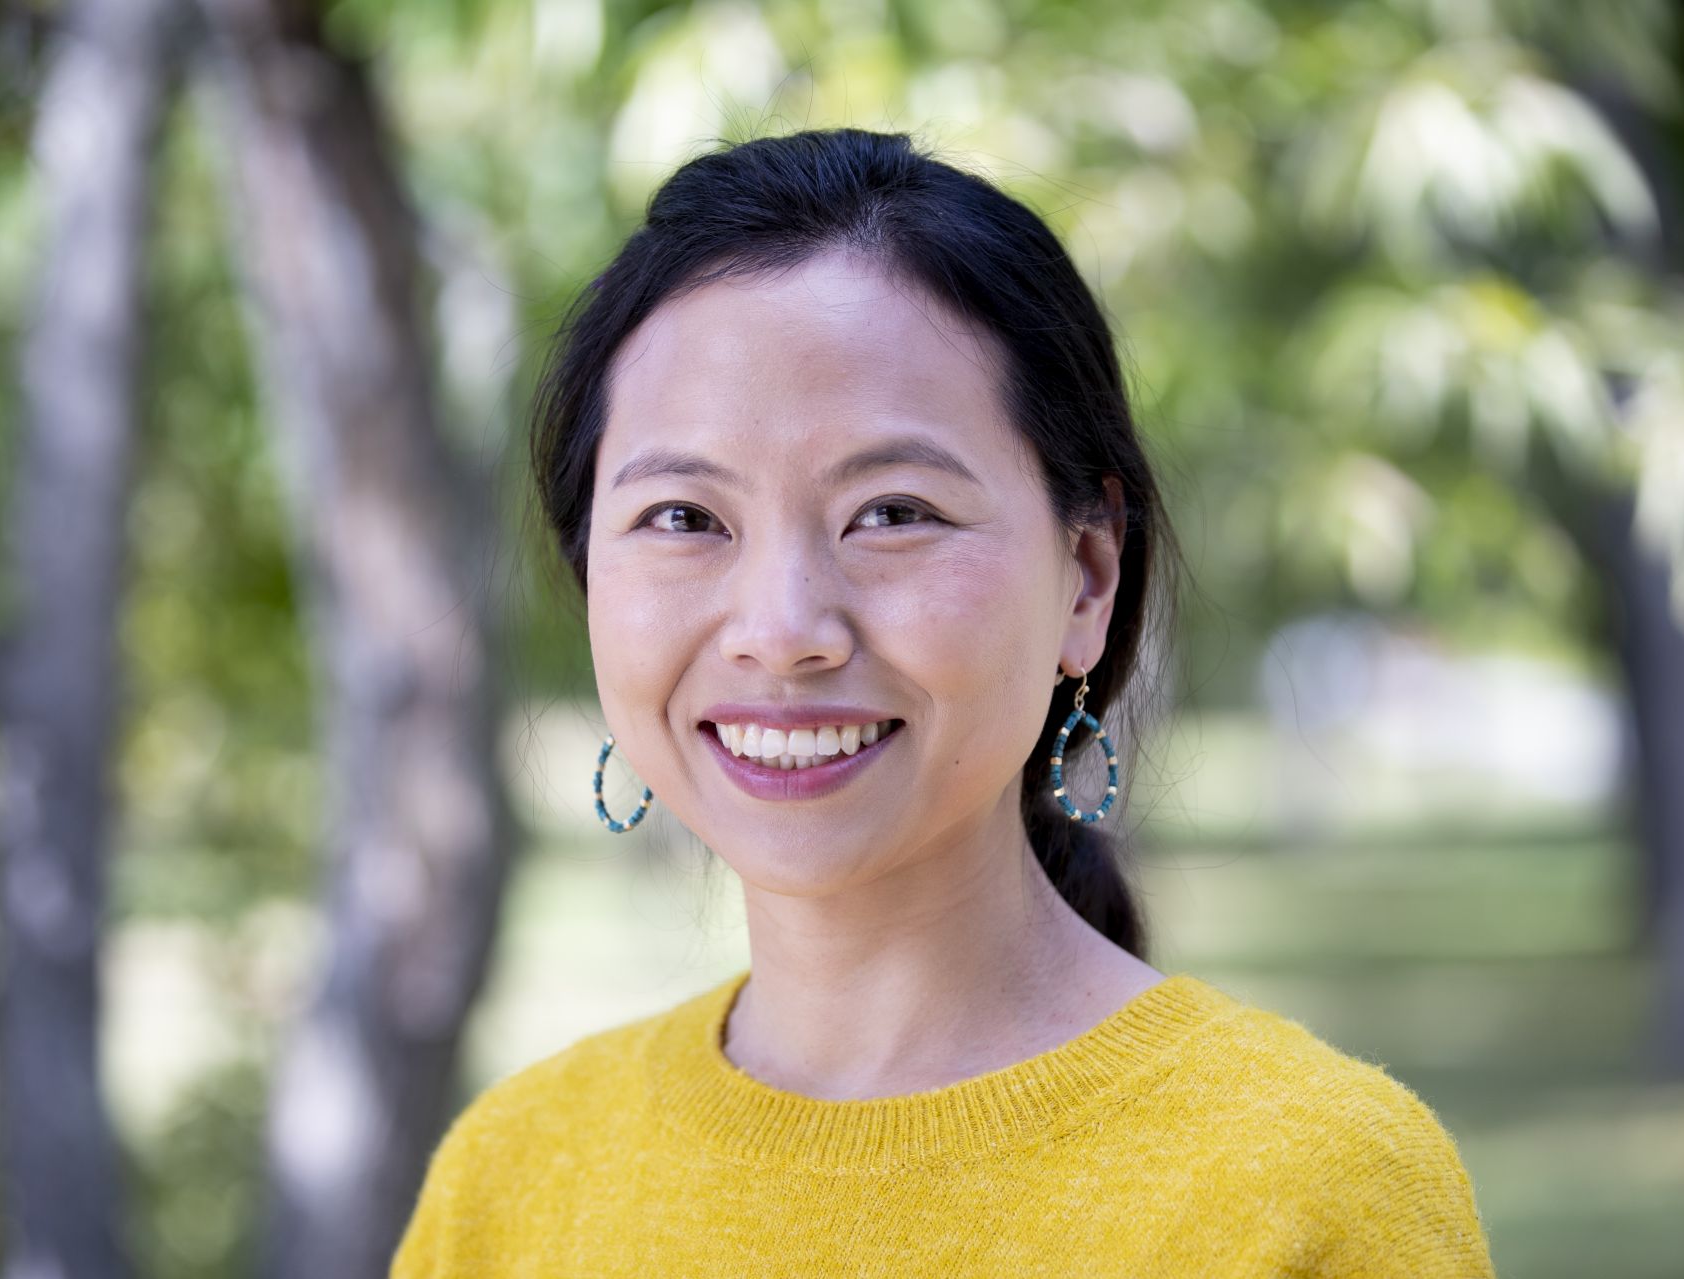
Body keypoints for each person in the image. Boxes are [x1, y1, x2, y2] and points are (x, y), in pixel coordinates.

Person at [389, 127, 1496, 1277]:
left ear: (1085, 574)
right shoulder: (512, 1181)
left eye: (892, 511)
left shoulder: (1310, 1189)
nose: (782, 630)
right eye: (683, 518)